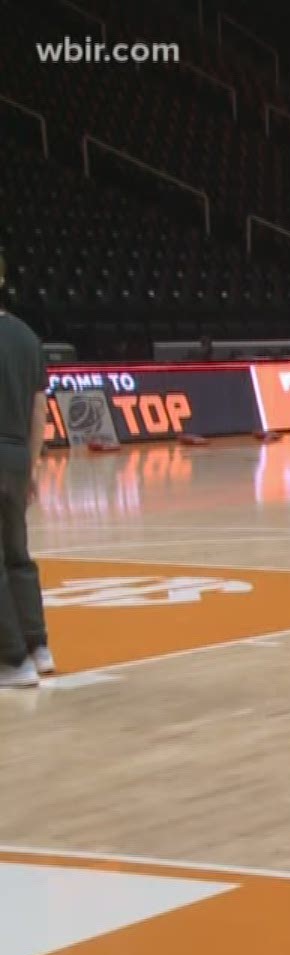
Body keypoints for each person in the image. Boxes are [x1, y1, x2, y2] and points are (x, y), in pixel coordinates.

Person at [0, 253, 51, 688]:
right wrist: (31, 465)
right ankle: (39, 645)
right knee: (18, 555)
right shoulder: (28, 337)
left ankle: (11, 660)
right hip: (18, 459)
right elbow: (40, 412)